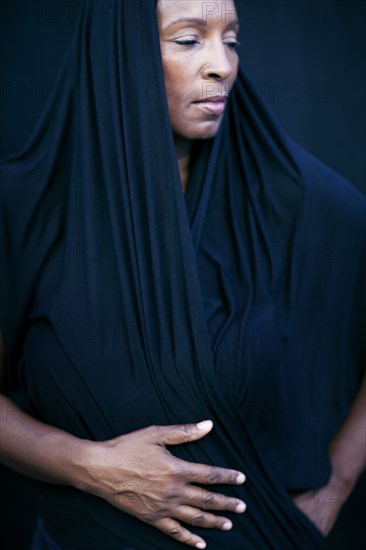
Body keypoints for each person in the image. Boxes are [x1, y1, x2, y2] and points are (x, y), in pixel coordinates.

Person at [0, 1, 365, 549]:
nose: (223, 64)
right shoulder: (25, 206)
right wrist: (94, 468)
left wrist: (333, 488)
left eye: (232, 39)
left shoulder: (286, 197)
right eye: (190, 39)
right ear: (120, 54)